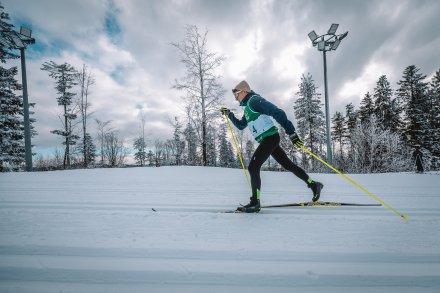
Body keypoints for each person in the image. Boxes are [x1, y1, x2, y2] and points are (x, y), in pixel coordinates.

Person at [220, 80, 323, 213]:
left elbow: (277, 112)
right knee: (288, 165)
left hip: (270, 138)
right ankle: (314, 185)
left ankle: (254, 202)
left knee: (253, 167)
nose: (236, 98)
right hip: (268, 139)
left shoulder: (254, 101)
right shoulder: (247, 108)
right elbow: (241, 125)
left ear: (244, 91)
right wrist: (229, 114)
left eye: (237, 94)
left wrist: (291, 132)